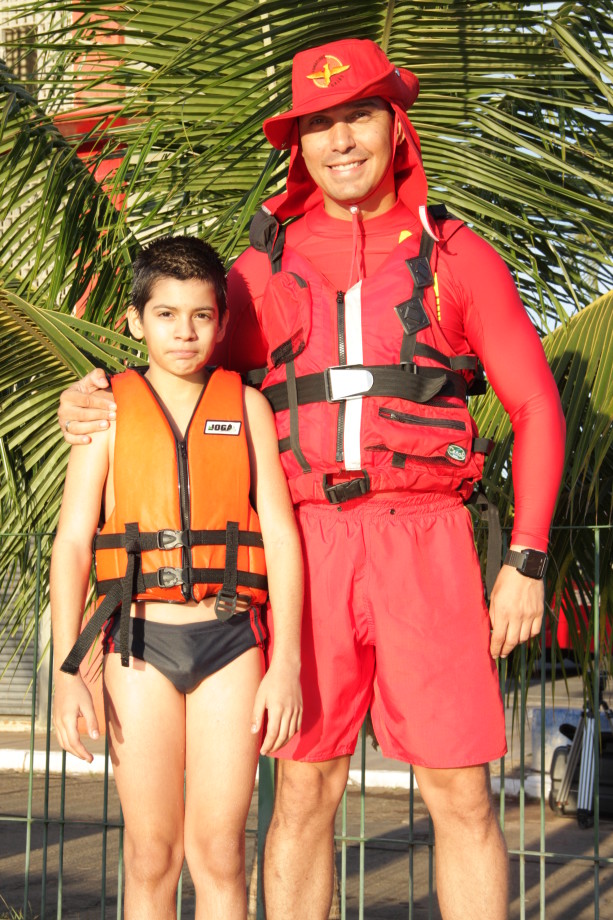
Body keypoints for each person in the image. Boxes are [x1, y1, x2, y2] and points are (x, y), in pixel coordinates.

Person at [58, 39, 565, 920]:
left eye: (357, 116)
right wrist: (93, 392)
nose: (340, 140)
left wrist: (524, 558)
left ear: (394, 126)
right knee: (303, 787)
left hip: (427, 541)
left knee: (462, 793)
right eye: (318, 124)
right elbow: (176, 369)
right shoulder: (258, 270)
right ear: (297, 145)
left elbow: (535, 405)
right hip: (306, 544)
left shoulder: (454, 253)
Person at [51, 235, 303, 920]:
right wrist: (68, 670)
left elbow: (281, 538)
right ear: (136, 321)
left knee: (220, 853)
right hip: (138, 647)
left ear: (221, 323)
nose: (184, 332)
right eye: (165, 315)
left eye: (200, 315)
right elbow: (72, 544)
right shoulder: (106, 411)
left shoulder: (247, 407)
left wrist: (286, 663)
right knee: (150, 855)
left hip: (231, 644)